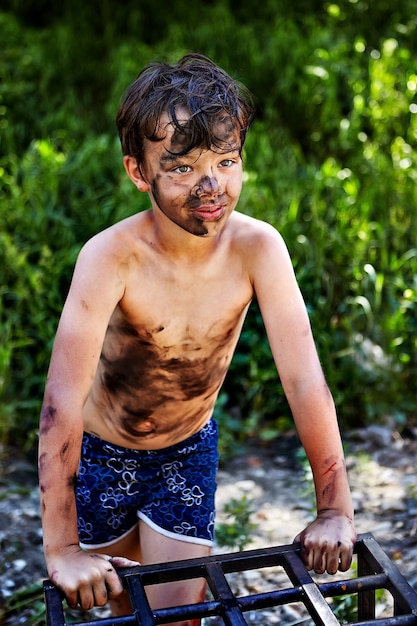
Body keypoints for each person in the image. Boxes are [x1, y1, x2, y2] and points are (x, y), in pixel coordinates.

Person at [38, 53, 356, 625]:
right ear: (139, 172)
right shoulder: (111, 257)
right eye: (182, 168)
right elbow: (61, 399)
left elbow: (304, 379)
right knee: (112, 607)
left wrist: (335, 508)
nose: (211, 186)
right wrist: (60, 548)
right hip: (102, 453)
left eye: (227, 161)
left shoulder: (258, 249)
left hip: (186, 449)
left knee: (176, 615)